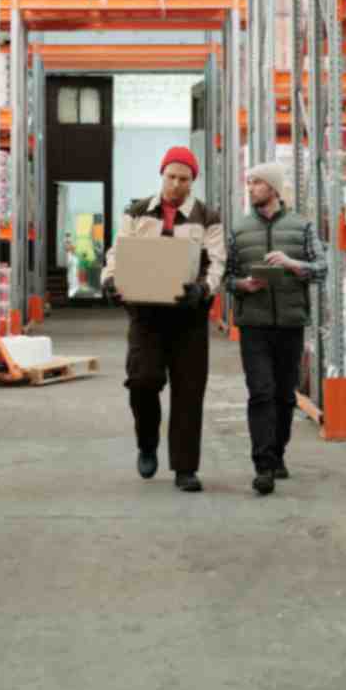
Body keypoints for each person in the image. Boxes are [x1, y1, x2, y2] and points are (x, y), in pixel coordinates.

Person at [101, 147, 226, 493]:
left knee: (188, 392)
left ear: (192, 181)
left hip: (188, 318)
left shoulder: (207, 216)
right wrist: (109, 280)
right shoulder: (138, 211)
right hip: (145, 314)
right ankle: (147, 443)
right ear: (162, 175)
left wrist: (203, 290)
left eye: (183, 179)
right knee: (142, 381)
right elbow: (118, 251)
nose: (175, 184)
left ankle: (185, 469)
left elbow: (217, 262)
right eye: (171, 176)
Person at [225, 161, 327, 496]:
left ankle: (278, 452)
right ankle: (263, 466)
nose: (250, 187)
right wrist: (243, 284)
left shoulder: (302, 227)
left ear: (273, 187)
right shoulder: (239, 230)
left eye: (256, 182)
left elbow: (322, 270)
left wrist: (293, 264)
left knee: (285, 394)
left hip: (290, 323)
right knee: (261, 392)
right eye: (249, 182)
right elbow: (226, 278)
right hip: (253, 324)